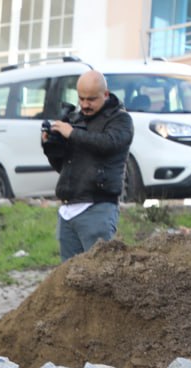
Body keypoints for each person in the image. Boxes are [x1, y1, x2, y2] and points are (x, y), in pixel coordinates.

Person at [41, 69, 134, 262]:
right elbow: (63, 166)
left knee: (99, 274)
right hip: (68, 208)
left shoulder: (121, 120)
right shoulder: (75, 119)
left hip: (97, 207)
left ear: (105, 95)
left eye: (91, 99)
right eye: (81, 99)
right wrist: (50, 145)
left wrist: (72, 134)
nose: (84, 105)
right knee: (69, 278)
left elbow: (108, 144)